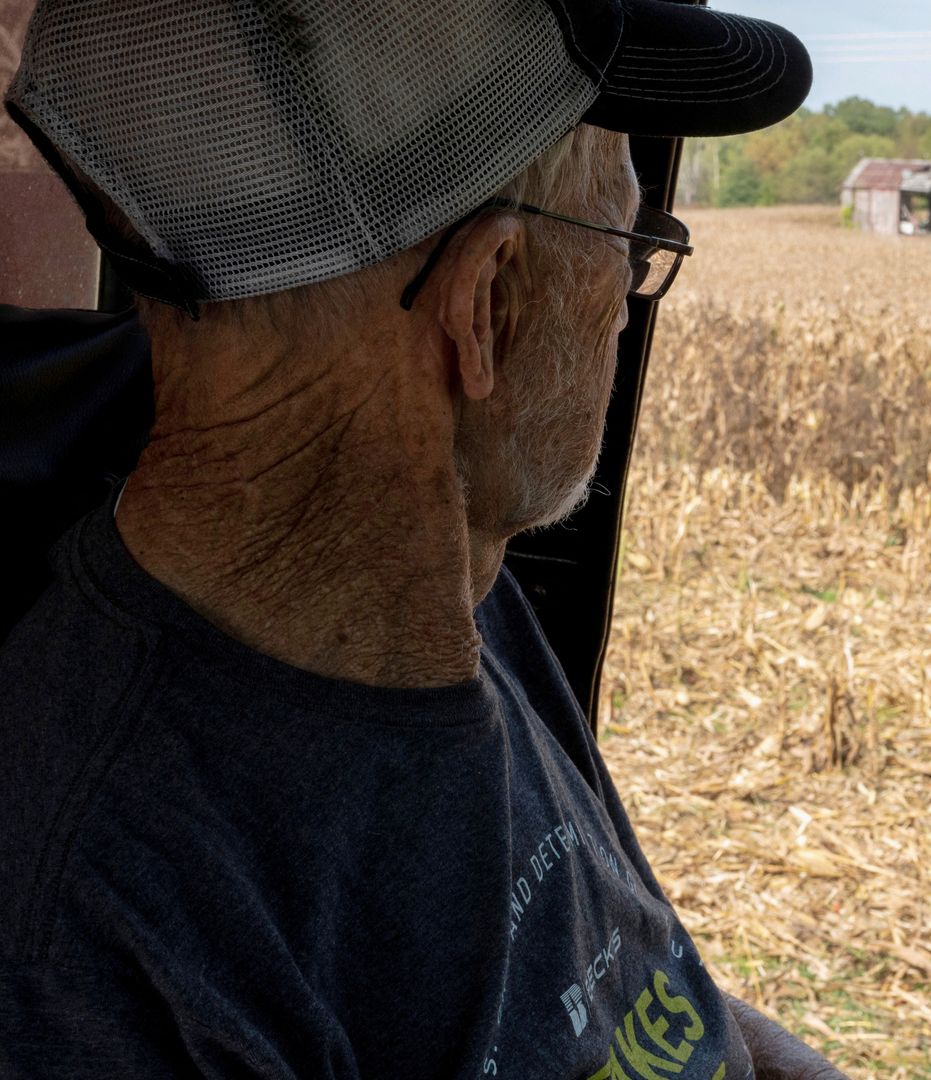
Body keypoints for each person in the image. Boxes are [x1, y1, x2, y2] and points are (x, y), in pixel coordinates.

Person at [0, 1, 843, 1077]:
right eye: (631, 250)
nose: (625, 304)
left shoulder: (454, 588)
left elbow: (631, 983)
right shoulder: (90, 954)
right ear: (485, 306)